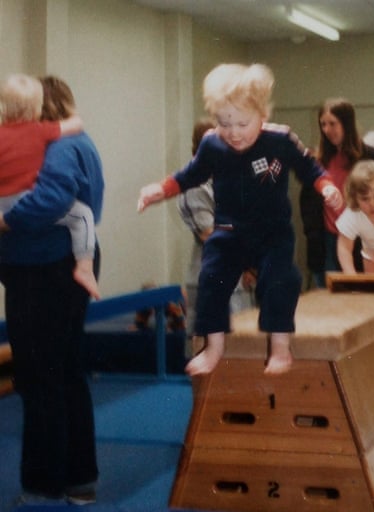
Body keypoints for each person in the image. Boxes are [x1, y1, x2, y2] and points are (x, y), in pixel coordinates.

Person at [138, 63, 342, 376]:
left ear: (263, 114)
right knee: (211, 279)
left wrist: (326, 187)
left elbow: (310, 169)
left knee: (280, 280)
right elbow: (189, 175)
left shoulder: (280, 140)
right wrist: (159, 189)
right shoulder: (212, 144)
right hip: (230, 231)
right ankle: (214, 347)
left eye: (242, 123)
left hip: (272, 233)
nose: (233, 132)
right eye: (223, 123)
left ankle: (280, 348)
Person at [0, 76, 104, 505]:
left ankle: (45, 485)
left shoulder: (59, 148)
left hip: (44, 269)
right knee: (63, 371)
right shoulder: (77, 143)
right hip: (53, 265)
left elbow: (53, 199)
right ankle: (79, 479)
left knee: (40, 376)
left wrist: (4, 222)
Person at [0, 73, 100, 299]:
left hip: (5, 209)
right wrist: (8, 222)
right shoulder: (45, 134)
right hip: (41, 250)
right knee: (83, 215)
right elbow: (52, 200)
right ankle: (85, 267)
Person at [177, 118, 255, 355]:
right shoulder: (194, 185)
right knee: (210, 353)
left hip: (238, 275)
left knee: (243, 345)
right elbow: (212, 234)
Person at [308, 98, 374, 287]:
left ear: (346, 123)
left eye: (333, 123)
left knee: (365, 293)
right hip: (329, 239)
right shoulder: (318, 161)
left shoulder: (372, 157)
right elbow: (309, 204)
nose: (328, 130)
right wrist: (312, 233)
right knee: (333, 295)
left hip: (363, 238)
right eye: (323, 124)